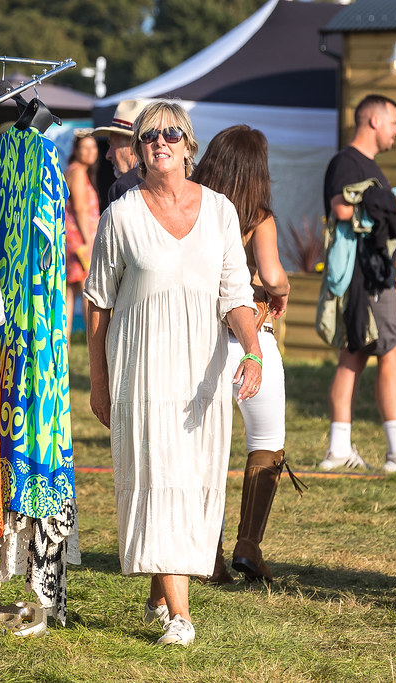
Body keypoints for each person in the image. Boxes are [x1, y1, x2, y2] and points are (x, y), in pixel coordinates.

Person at [84, 101, 261, 646]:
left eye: (169, 134)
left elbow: (235, 293)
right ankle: (182, 617)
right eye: (147, 136)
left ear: (190, 145)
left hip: (202, 371)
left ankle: (159, 593)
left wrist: (252, 349)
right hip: (141, 368)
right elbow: (98, 303)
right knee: (159, 479)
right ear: (137, 150)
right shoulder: (122, 215)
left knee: (194, 482)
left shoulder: (222, 213)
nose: (158, 142)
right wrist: (97, 381)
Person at [191, 125, 295, 584]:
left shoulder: (193, 206)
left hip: (203, 339)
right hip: (253, 338)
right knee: (266, 440)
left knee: (204, 448)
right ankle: (248, 545)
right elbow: (272, 276)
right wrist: (283, 291)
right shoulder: (258, 216)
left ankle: (207, 553)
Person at [319, 94, 396, 474]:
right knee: (394, 351)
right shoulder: (347, 162)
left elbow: (371, 214)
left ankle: (338, 450)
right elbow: (341, 207)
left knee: (354, 355)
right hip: (367, 275)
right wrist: (395, 207)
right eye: (394, 122)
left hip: (367, 272)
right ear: (373, 121)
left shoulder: (367, 166)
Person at [64, 131, 100, 337]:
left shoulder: (74, 170)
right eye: (85, 147)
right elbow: (79, 208)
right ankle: (92, 346)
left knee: (70, 296)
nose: (90, 152)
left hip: (73, 241)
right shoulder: (77, 172)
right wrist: (88, 242)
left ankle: (63, 351)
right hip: (80, 241)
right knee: (88, 296)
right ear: (76, 150)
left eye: (93, 147)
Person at [93, 99, 143, 203]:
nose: (108, 155)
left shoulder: (124, 186)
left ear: (134, 146)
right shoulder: (175, 179)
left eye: (113, 145)